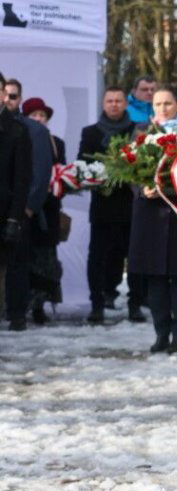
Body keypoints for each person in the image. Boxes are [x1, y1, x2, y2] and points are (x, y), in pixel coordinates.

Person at [128, 85, 177, 354]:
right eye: (158, 104)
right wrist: (141, 188)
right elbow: (129, 169)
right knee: (156, 278)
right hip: (150, 214)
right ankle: (161, 333)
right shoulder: (142, 132)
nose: (162, 108)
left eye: (168, 103)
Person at [79, 86, 144, 324]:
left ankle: (135, 304)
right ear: (103, 104)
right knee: (97, 257)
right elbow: (82, 165)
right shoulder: (91, 133)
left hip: (131, 206)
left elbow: (142, 165)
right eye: (110, 101)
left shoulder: (136, 131)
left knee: (134, 258)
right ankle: (97, 304)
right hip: (102, 207)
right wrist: (99, 174)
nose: (114, 104)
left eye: (118, 100)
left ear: (125, 104)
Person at [5, 82, 53, 331]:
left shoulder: (33, 130)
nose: (9, 100)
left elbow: (40, 171)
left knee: (18, 264)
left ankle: (17, 315)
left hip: (19, 208)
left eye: (13, 96)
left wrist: (28, 207)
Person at [22, 97, 66, 325]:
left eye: (42, 115)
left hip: (48, 207)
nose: (39, 119)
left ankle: (41, 304)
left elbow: (63, 170)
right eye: (34, 115)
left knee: (46, 258)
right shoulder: (23, 138)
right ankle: (24, 301)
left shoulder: (56, 142)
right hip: (28, 205)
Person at [0, 71, 32, 331]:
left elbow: (22, 178)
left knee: (14, 266)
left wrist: (14, 217)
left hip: (5, 209)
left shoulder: (17, 131)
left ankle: (16, 314)